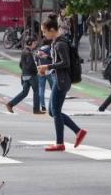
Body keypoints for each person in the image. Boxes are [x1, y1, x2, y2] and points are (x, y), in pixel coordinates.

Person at [37, 15, 88, 152]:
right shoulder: (57, 42)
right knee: (52, 111)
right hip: (59, 79)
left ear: (52, 29)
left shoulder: (60, 43)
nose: (43, 34)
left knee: (56, 112)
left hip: (61, 81)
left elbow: (65, 63)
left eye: (44, 31)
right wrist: (47, 58)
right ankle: (78, 131)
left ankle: (60, 143)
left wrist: (47, 67)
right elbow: (59, 59)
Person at [6, 37, 41, 114]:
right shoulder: (28, 53)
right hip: (31, 75)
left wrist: (24, 71)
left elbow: (21, 64)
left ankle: (10, 104)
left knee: (24, 93)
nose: (35, 45)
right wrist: (36, 71)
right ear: (30, 43)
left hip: (24, 75)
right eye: (34, 43)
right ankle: (36, 109)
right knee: (36, 91)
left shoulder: (24, 52)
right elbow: (31, 65)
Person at [36, 40, 53, 114]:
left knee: (41, 88)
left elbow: (36, 60)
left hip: (41, 70)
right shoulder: (49, 49)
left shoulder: (39, 50)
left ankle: (42, 105)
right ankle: (53, 104)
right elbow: (53, 59)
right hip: (49, 71)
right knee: (53, 88)